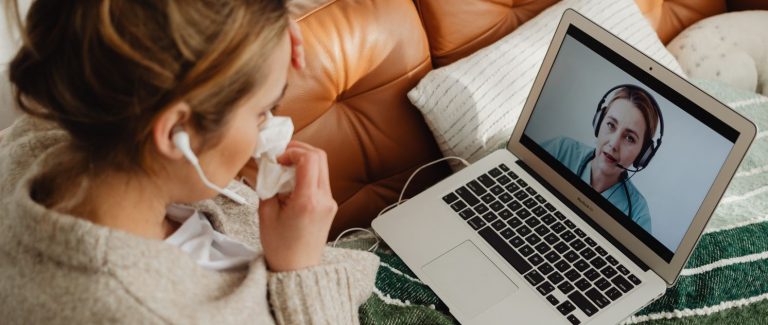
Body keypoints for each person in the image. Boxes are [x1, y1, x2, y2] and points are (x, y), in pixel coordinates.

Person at [0, 0, 378, 323]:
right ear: (175, 132)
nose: (270, 127)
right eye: (264, 111)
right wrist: (301, 271)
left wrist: (264, 35)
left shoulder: (63, 126)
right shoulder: (154, 312)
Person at [541, 85, 662, 234]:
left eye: (630, 138)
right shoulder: (561, 150)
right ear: (599, 122)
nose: (614, 144)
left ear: (643, 155)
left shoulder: (638, 213)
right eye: (611, 125)